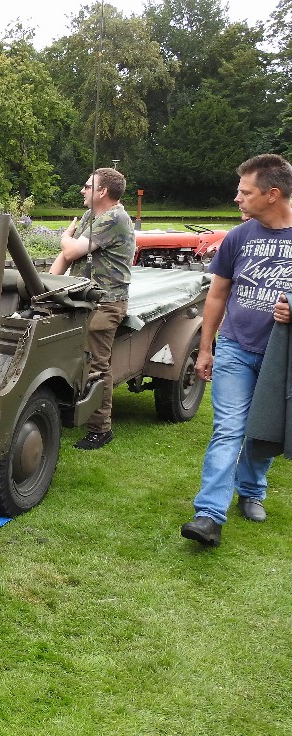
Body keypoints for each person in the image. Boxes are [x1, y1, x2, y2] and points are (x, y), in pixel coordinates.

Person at [180, 153, 292, 547]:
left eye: (245, 192)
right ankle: (209, 514)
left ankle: (252, 488)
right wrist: (206, 347)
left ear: (272, 194)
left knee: (264, 430)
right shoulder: (239, 237)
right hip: (236, 347)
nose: (237, 198)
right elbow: (218, 294)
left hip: (282, 358)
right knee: (228, 428)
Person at [49, 167, 134, 450]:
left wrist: (65, 236)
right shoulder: (92, 215)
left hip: (105, 302)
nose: (82, 190)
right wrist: (46, 287)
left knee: (96, 365)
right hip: (82, 298)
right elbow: (67, 255)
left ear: (103, 192)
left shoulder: (114, 217)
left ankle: (101, 428)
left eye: (88, 186)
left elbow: (71, 250)